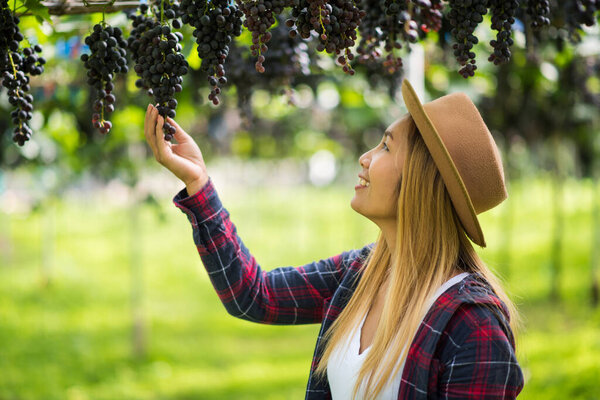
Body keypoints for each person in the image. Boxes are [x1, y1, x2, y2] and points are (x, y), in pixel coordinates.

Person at [143, 78, 524, 399]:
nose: (365, 157)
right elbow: (254, 296)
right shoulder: (360, 273)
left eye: (387, 146)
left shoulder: (472, 325)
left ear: (422, 183)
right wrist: (198, 183)